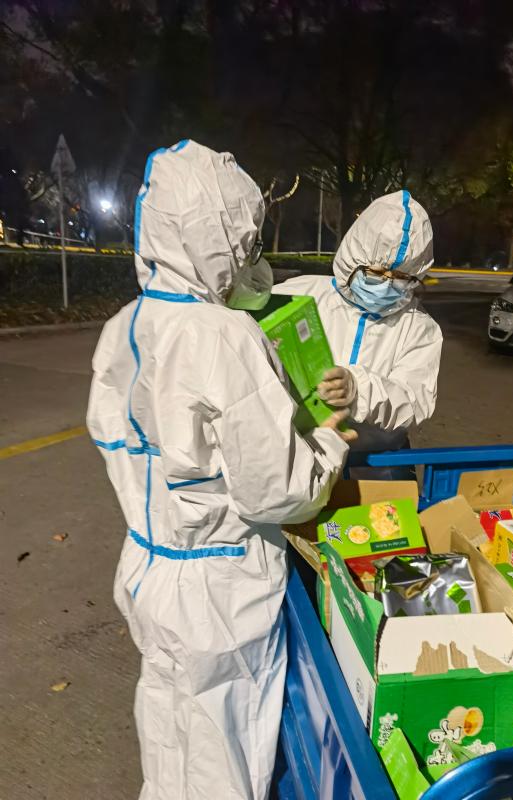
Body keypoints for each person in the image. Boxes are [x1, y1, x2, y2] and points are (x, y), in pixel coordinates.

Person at [87, 140, 352, 800]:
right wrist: (328, 442)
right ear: (220, 237)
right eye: (245, 238)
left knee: (168, 739)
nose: (249, 254)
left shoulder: (124, 327)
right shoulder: (223, 334)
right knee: (222, 761)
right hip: (221, 591)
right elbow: (278, 492)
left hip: (148, 566)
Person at [273, 190, 443, 477]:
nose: (387, 285)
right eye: (376, 272)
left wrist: (358, 390)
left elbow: (414, 401)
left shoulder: (419, 327)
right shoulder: (298, 295)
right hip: (302, 455)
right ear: (353, 256)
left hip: (376, 464)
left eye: (402, 278)